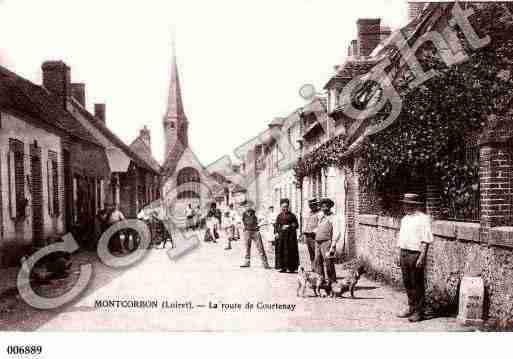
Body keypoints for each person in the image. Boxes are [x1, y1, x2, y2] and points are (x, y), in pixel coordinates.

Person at [396, 193, 433, 323]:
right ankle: (411, 307)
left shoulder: (423, 218)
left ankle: (419, 311)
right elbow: (401, 238)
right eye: (405, 203)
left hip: (415, 254)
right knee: (407, 282)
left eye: (408, 204)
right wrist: (398, 254)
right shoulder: (404, 219)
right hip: (404, 253)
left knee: (417, 283)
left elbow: (426, 239)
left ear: (414, 205)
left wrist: (422, 256)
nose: (405, 206)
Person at [313, 198, 338, 284]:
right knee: (317, 261)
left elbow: (337, 231)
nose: (324, 209)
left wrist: (333, 244)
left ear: (329, 207)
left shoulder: (333, 217)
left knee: (328, 262)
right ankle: (321, 281)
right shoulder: (320, 216)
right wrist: (316, 231)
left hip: (327, 242)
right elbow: (318, 227)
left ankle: (332, 281)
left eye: (325, 207)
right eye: (322, 207)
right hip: (317, 242)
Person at [240, 201, 270, 269]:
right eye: (246, 206)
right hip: (247, 231)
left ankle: (265, 263)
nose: (247, 207)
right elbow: (239, 222)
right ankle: (247, 262)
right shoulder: (243, 214)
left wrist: (259, 225)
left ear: (251, 206)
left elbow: (265, 220)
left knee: (260, 247)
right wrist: (243, 228)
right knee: (247, 248)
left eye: (249, 206)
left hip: (255, 232)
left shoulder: (256, 213)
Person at [274, 198, 300, 273]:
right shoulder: (279, 216)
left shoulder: (292, 216)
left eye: (286, 207)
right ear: (281, 207)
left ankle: (291, 267)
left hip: (290, 237)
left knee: (290, 251)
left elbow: (296, 225)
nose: (284, 208)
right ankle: (283, 267)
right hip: (281, 237)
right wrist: (276, 233)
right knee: (281, 251)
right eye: (283, 207)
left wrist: (289, 226)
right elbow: (276, 225)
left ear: (288, 207)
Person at [303, 199, 320, 267]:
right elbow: (307, 223)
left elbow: (320, 224)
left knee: (316, 252)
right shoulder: (309, 213)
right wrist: (304, 232)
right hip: (308, 235)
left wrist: (315, 231)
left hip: (315, 235)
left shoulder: (319, 213)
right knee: (311, 252)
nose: (311, 207)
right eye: (310, 205)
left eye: (313, 205)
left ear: (316, 205)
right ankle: (313, 266)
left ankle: (317, 267)